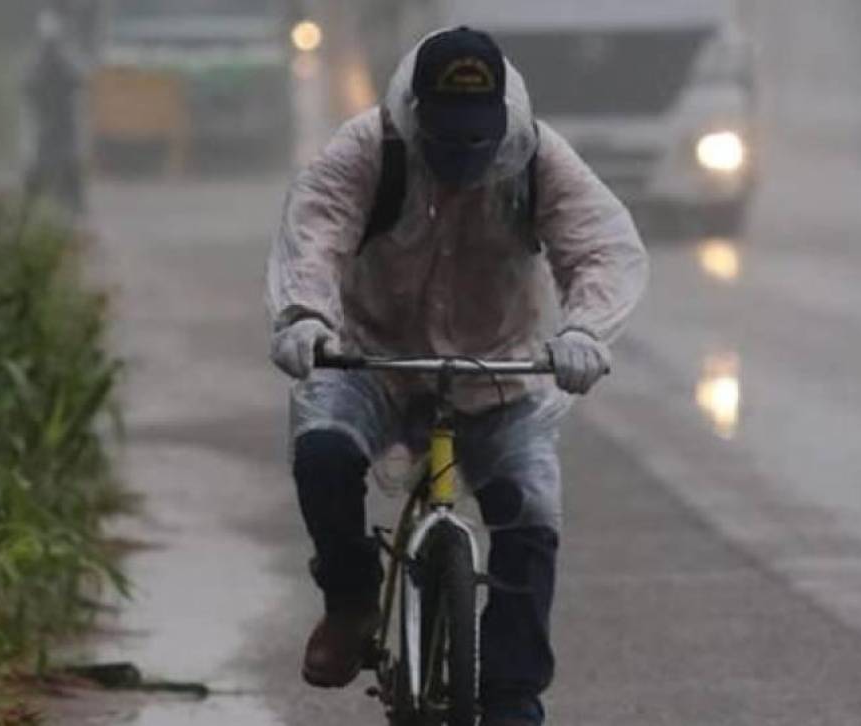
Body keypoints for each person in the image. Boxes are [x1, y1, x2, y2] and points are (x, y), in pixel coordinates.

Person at [266, 27, 648, 726]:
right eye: (447, 140)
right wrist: (303, 317)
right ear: (417, 116)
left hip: (498, 370)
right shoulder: (367, 149)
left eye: (478, 141)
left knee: (530, 518)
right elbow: (315, 233)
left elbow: (603, 249)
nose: (463, 158)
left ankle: (513, 695)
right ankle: (350, 599)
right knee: (322, 452)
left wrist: (585, 331)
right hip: (371, 360)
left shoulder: (538, 159)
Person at [23, 8, 86, 215]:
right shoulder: (47, 58)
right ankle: (32, 205)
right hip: (49, 120)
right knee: (44, 160)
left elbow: (77, 81)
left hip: (59, 120)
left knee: (63, 160)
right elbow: (28, 87)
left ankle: (72, 205)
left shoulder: (56, 57)